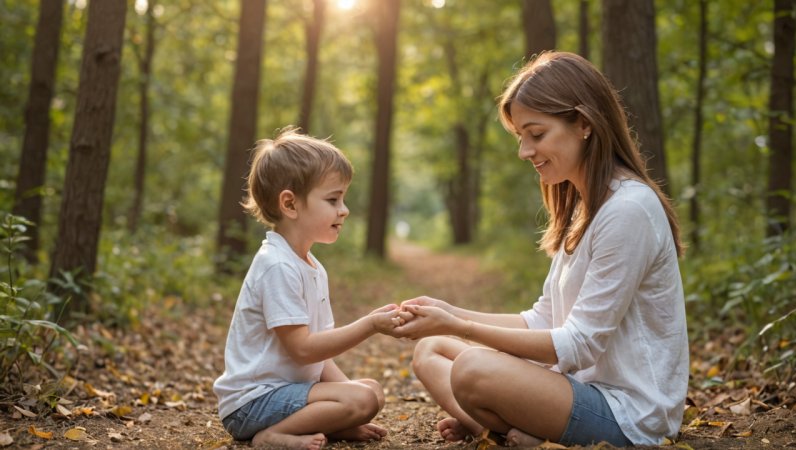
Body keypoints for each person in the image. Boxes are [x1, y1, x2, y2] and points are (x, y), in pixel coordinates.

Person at [394, 51, 689, 447]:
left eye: (537, 134)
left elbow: (580, 345)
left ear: (584, 123)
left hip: (627, 414)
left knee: (471, 369)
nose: (525, 152)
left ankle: (506, 425)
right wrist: (447, 313)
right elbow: (543, 318)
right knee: (432, 349)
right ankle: (514, 429)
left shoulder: (628, 209)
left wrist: (459, 326)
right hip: (574, 390)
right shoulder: (585, 206)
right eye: (521, 138)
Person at [213, 128, 405, 450]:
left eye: (342, 199)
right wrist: (369, 325)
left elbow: (319, 359)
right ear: (290, 204)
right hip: (251, 404)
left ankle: (333, 424)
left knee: (371, 391)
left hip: (286, 393)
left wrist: (355, 412)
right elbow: (303, 350)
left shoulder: (311, 266)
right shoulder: (277, 266)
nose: (343, 209)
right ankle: (270, 437)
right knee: (361, 397)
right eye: (332, 199)